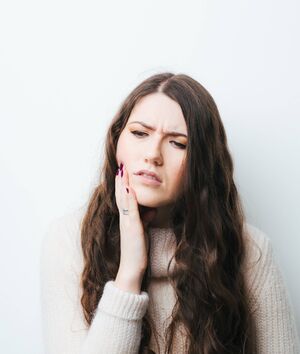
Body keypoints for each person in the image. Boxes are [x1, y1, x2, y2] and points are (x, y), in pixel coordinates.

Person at [39, 72, 300, 354]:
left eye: (177, 143)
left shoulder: (251, 251)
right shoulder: (68, 240)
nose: (153, 154)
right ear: (117, 142)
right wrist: (129, 273)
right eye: (139, 133)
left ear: (202, 164)